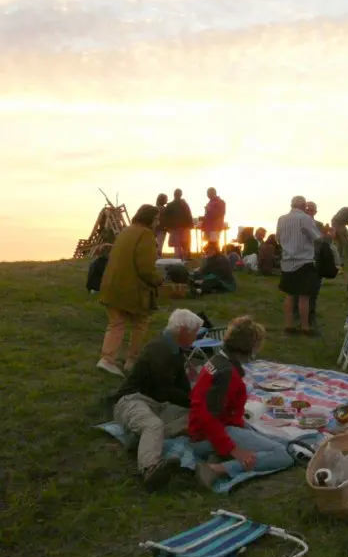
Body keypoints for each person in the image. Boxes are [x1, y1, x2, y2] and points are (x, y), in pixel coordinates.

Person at [189, 317, 295, 489]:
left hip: (222, 427)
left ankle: (219, 458)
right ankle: (217, 469)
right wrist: (232, 449)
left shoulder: (219, 361)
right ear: (251, 346)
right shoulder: (226, 374)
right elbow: (207, 416)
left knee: (288, 445)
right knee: (284, 455)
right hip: (209, 435)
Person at [110, 310, 204, 489]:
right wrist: (195, 401)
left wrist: (199, 402)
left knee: (197, 415)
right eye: (195, 332)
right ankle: (150, 468)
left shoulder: (175, 351)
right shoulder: (158, 349)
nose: (196, 337)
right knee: (153, 425)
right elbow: (166, 390)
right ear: (182, 330)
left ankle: (139, 438)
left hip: (158, 403)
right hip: (132, 400)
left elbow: (182, 389)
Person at [98, 204, 163, 376]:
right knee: (140, 322)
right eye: (156, 219)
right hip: (132, 289)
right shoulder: (146, 235)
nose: (158, 222)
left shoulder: (126, 231)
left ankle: (107, 359)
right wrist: (159, 280)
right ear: (150, 218)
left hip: (111, 286)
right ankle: (131, 361)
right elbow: (145, 268)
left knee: (116, 323)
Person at [276, 196, 321, 334]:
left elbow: (278, 238)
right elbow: (316, 237)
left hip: (287, 261)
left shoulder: (281, 219)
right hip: (303, 261)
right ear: (303, 205)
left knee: (289, 295)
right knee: (304, 296)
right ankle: (305, 327)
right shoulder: (305, 219)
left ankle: (288, 325)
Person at [162, 189, 194, 260]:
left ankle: (178, 259)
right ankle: (185, 259)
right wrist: (191, 224)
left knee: (177, 246)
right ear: (181, 195)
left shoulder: (170, 205)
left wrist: (167, 227)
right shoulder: (184, 204)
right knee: (185, 244)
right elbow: (189, 214)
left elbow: (166, 217)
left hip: (174, 228)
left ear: (174, 195)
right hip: (185, 227)